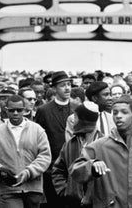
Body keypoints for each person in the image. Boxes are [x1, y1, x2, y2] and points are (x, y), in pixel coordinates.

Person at [0, 95, 51, 208]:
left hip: (33, 187)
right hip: (8, 189)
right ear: (6, 110)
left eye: (19, 110)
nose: (15, 113)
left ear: (24, 110)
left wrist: (29, 172)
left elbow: (45, 156)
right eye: (11, 110)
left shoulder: (37, 130)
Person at [34, 71, 76, 207]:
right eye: (63, 85)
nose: (67, 88)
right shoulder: (44, 110)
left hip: (75, 167)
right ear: (54, 88)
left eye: (69, 84)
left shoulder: (78, 108)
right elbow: (38, 139)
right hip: (52, 169)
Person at [52, 102, 101, 208]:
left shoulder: (104, 143)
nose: (74, 120)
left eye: (76, 116)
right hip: (73, 203)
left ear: (83, 119)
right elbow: (58, 170)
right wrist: (65, 191)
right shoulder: (70, 144)